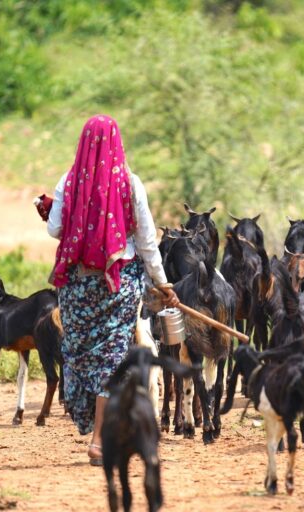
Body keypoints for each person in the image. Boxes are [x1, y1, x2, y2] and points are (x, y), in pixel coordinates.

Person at [43, 114, 178, 466]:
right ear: (117, 142)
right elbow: (148, 242)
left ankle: (92, 421)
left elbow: (55, 229)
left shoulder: (67, 181)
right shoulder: (130, 184)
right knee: (111, 361)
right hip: (116, 286)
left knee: (79, 354)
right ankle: (100, 440)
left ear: (83, 143)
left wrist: (58, 213)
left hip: (75, 289)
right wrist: (162, 283)